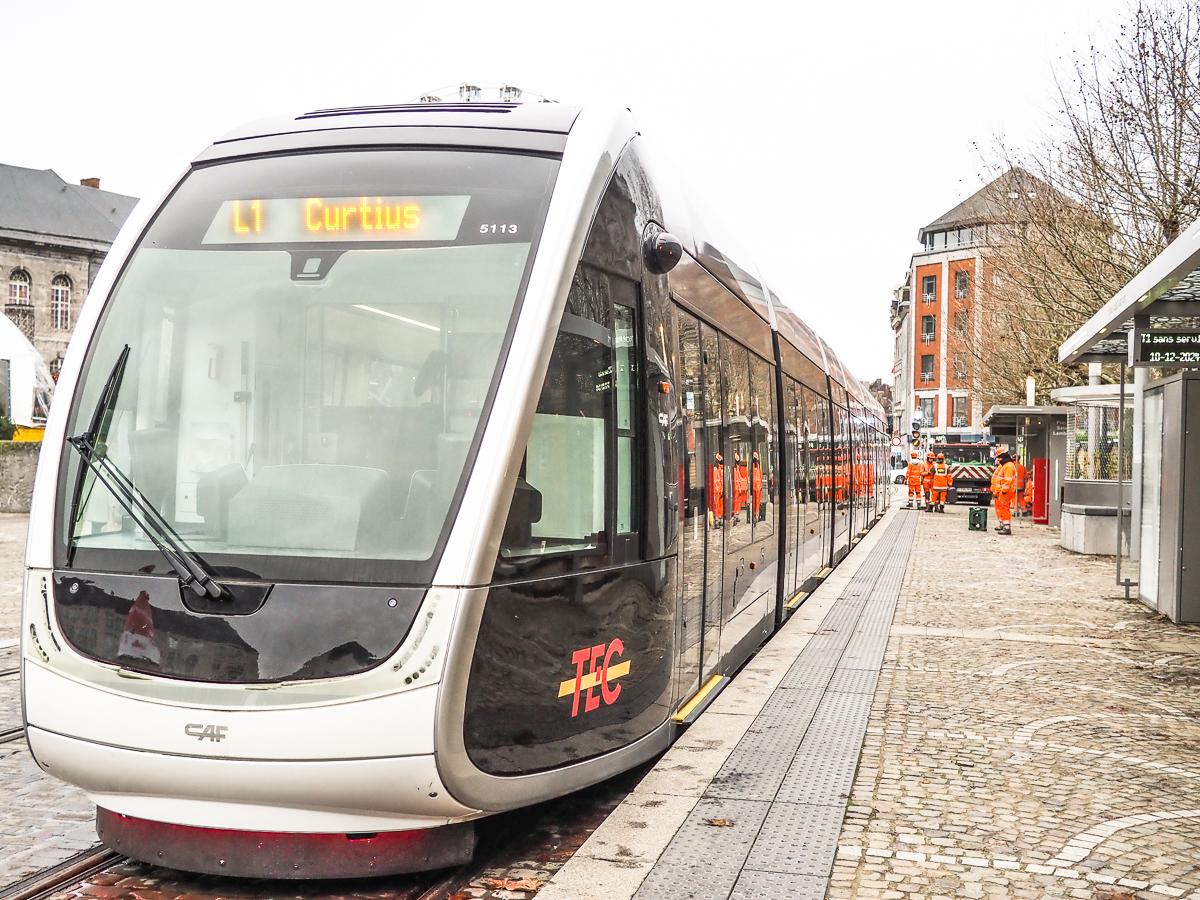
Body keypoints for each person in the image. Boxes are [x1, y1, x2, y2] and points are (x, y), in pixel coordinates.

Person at [991, 449, 1018, 535]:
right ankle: (1005, 526)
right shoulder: (1006, 465)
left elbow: (1008, 480)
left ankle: (1006, 528)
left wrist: (1003, 491)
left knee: (1005, 508)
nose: (998, 460)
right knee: (1003, 508)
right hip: (1004, 491)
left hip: (1006, 492)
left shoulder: (1008, 466)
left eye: (999, 458)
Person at [708, 452, 724, 528]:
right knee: (716, 506)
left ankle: (718, 519)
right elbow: (715, 481)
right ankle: (716, 520)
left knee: (718, 506)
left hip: (718, 491)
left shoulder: (718, 469)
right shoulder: (715, 470)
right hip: (716, 491)